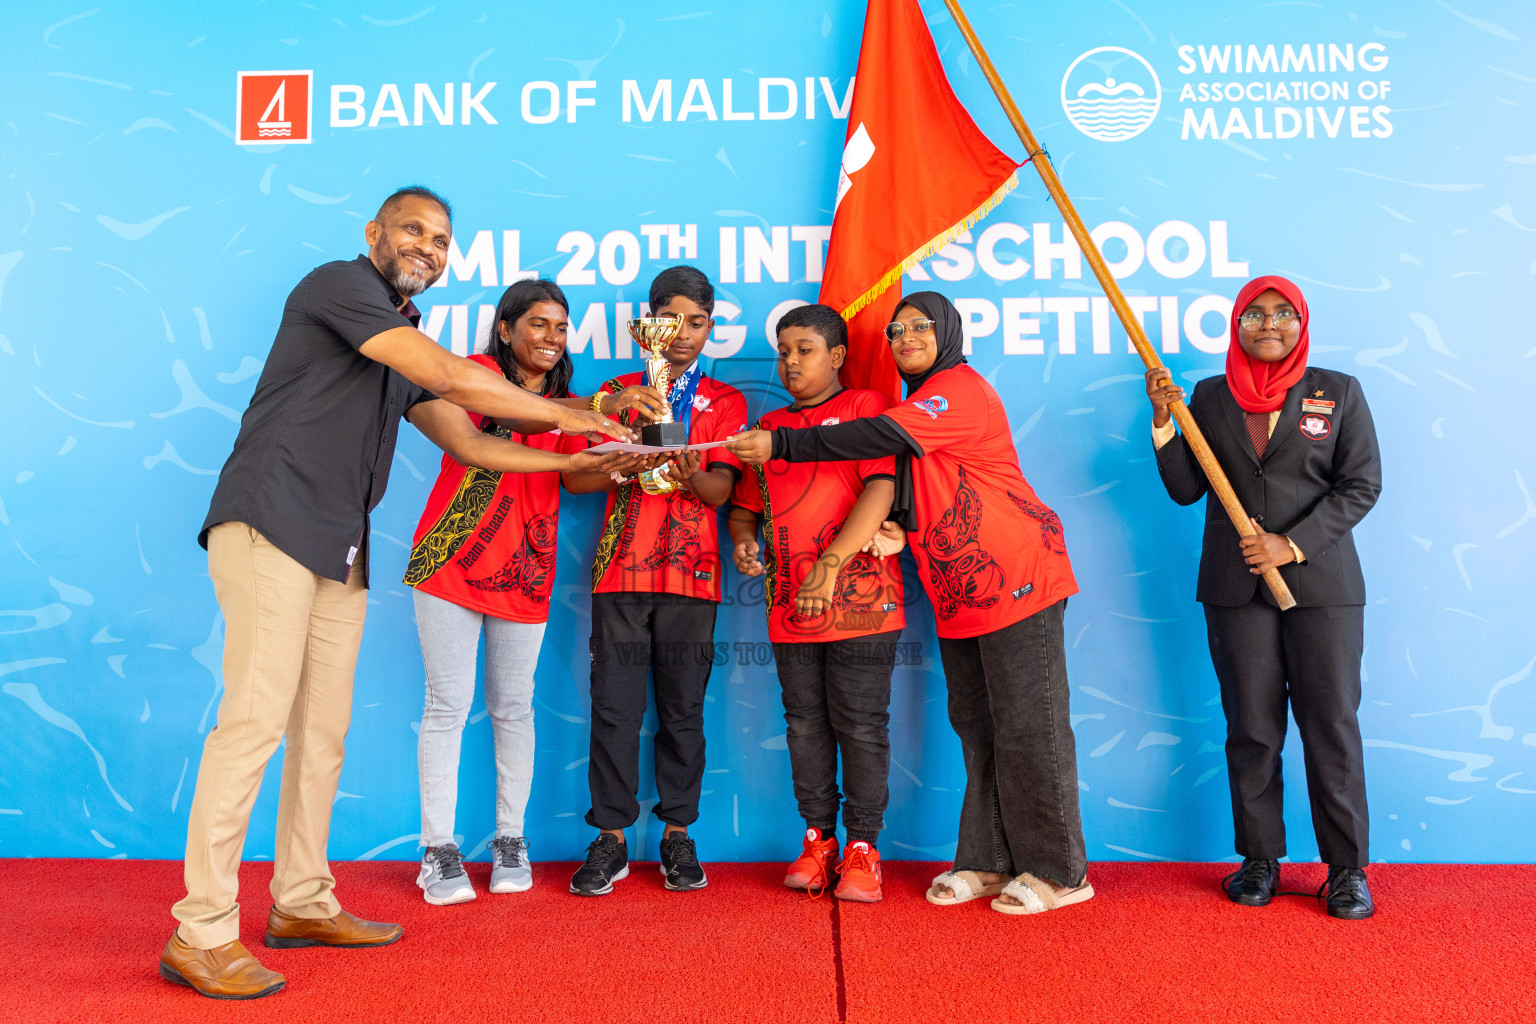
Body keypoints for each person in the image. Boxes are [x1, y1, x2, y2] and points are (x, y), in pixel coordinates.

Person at [162, 187, 633, 1001]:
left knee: (322, 734)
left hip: (337, 549)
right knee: (254, 726)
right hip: (271, 522)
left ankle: (303, 901)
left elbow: (472, 439)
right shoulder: (339, 289)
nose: (428, 245)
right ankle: (199, 932)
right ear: (373, 234)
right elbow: (455, 378)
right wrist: (588, 415)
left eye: (442, 238)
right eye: (413, 229)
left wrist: (572, 454)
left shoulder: (399, 340)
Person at [726, 291, 1091, 916]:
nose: (906, 338)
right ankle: (988, 860)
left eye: (921, 326)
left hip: (1017, 574)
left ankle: (1059, 871)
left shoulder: (958, 387)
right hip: (956, 591)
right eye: (896, 330)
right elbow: (930, 482)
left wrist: (783, 446)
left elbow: (877, 436)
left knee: (1032, 726)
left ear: (947, 332)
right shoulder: (918, 403)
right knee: (978, 730)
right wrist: (901, 528)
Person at [404, 279, 665, 905]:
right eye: (538, 324)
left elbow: (576, 482)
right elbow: (501, 424)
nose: (551, 337)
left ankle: (510, 840)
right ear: (505, 329)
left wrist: (630, 464)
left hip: (527, 565)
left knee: (512, 708)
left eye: (560, 327)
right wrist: (597, 403)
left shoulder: (565, 405)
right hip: (451, 557)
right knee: (447, 705)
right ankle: (437, 851)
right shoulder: (473, 377)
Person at [1145, 274, 1380, 920]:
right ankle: (1259, 859)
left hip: (1322, 589)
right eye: (1255, 313)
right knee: (1251, 727)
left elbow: (1360, 486)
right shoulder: (1210, 397)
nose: (1269, 323)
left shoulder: (1339, 394)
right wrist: (1165, 420)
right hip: (1234, 587)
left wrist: (1290, 545)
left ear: (1302, 324)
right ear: (1238, 325)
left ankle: (1347, 870)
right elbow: (1188, 490)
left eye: (1283, 313)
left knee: (1330, 725)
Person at [564, 265, 748, 897]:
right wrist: (625, 460)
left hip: (693, 577)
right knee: (613, 708)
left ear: (711, 326)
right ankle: (610, 839)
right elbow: (573, 479)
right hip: (619, 569)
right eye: (672, 321)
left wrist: (690, 469)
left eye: (698, 322)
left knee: (683, 712)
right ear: (648, 323)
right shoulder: (615, 392)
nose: (685, 334)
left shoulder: (725, 404)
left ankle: (677, 835)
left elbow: (723, 491)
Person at [727, 303, 907, 903]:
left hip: (862, 601)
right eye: (783, 350)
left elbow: (883, 487)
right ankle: (818, 840)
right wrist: (746, 543)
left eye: (804, 349)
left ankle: (863, 847)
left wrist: (830, 566)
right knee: (804, 726)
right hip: (789, 607)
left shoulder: (865, 410)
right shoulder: (769, 426)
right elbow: (746, 507)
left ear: (835, 357)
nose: (790, 361)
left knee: (860, 725)